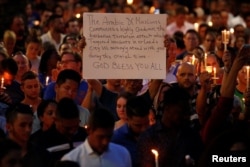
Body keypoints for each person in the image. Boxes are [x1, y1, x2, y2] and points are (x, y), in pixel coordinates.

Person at [137, 86, 204, 167]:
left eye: (188, 112)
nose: (186, 116)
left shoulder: (192, 136)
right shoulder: (150, 137)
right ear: (167, 108)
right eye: (181, 112)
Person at [61, 107, 132, 167]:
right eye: (101, 137)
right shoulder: (71, 159)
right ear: (89, 130)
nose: (105, 142)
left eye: (109, 136)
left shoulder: (123, 154)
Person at [30, 97, 87, 163]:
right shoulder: (41, 142)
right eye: (67, 128)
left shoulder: (84, 135)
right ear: (56, 120)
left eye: (75, 126)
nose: (72, 131)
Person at [112, 95, 151, 167]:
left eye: (146, 124)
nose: (143, 129)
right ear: (128, 119)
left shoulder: (153, 135)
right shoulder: (116, 140)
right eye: (138, 125)